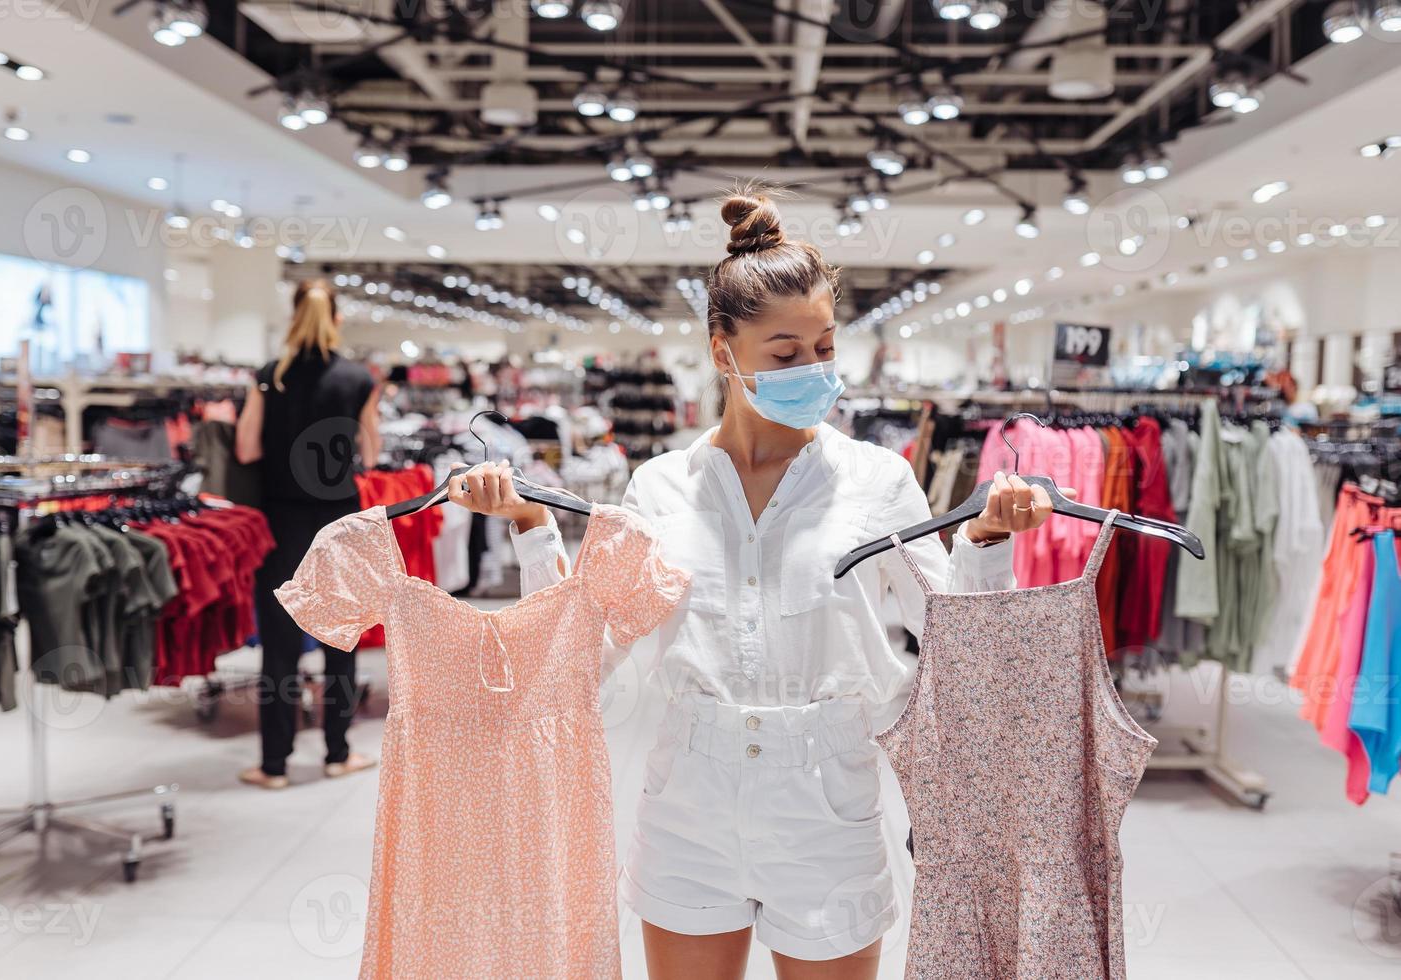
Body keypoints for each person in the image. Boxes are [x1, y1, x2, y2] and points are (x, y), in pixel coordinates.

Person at [447, 189, 1064, 978]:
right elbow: (583, 651)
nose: (812, 370)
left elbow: (962, 645)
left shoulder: (878, 481)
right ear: (722, 351)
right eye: (784, 352)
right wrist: (533, 531)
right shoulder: (663, 488)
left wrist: (982, 541)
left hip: (826, 801)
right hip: (689, 801)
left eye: (824, 347)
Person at [234, 279, 381, 789]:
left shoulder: (269, 377)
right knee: (340, 638)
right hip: (338, 522)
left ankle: (274, 765)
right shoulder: (358, 378)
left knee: (279, 646)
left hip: (279, 522)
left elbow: (247, 448)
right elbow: (374, 453)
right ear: (336, 319)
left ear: (293, 317)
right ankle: (338, 753)